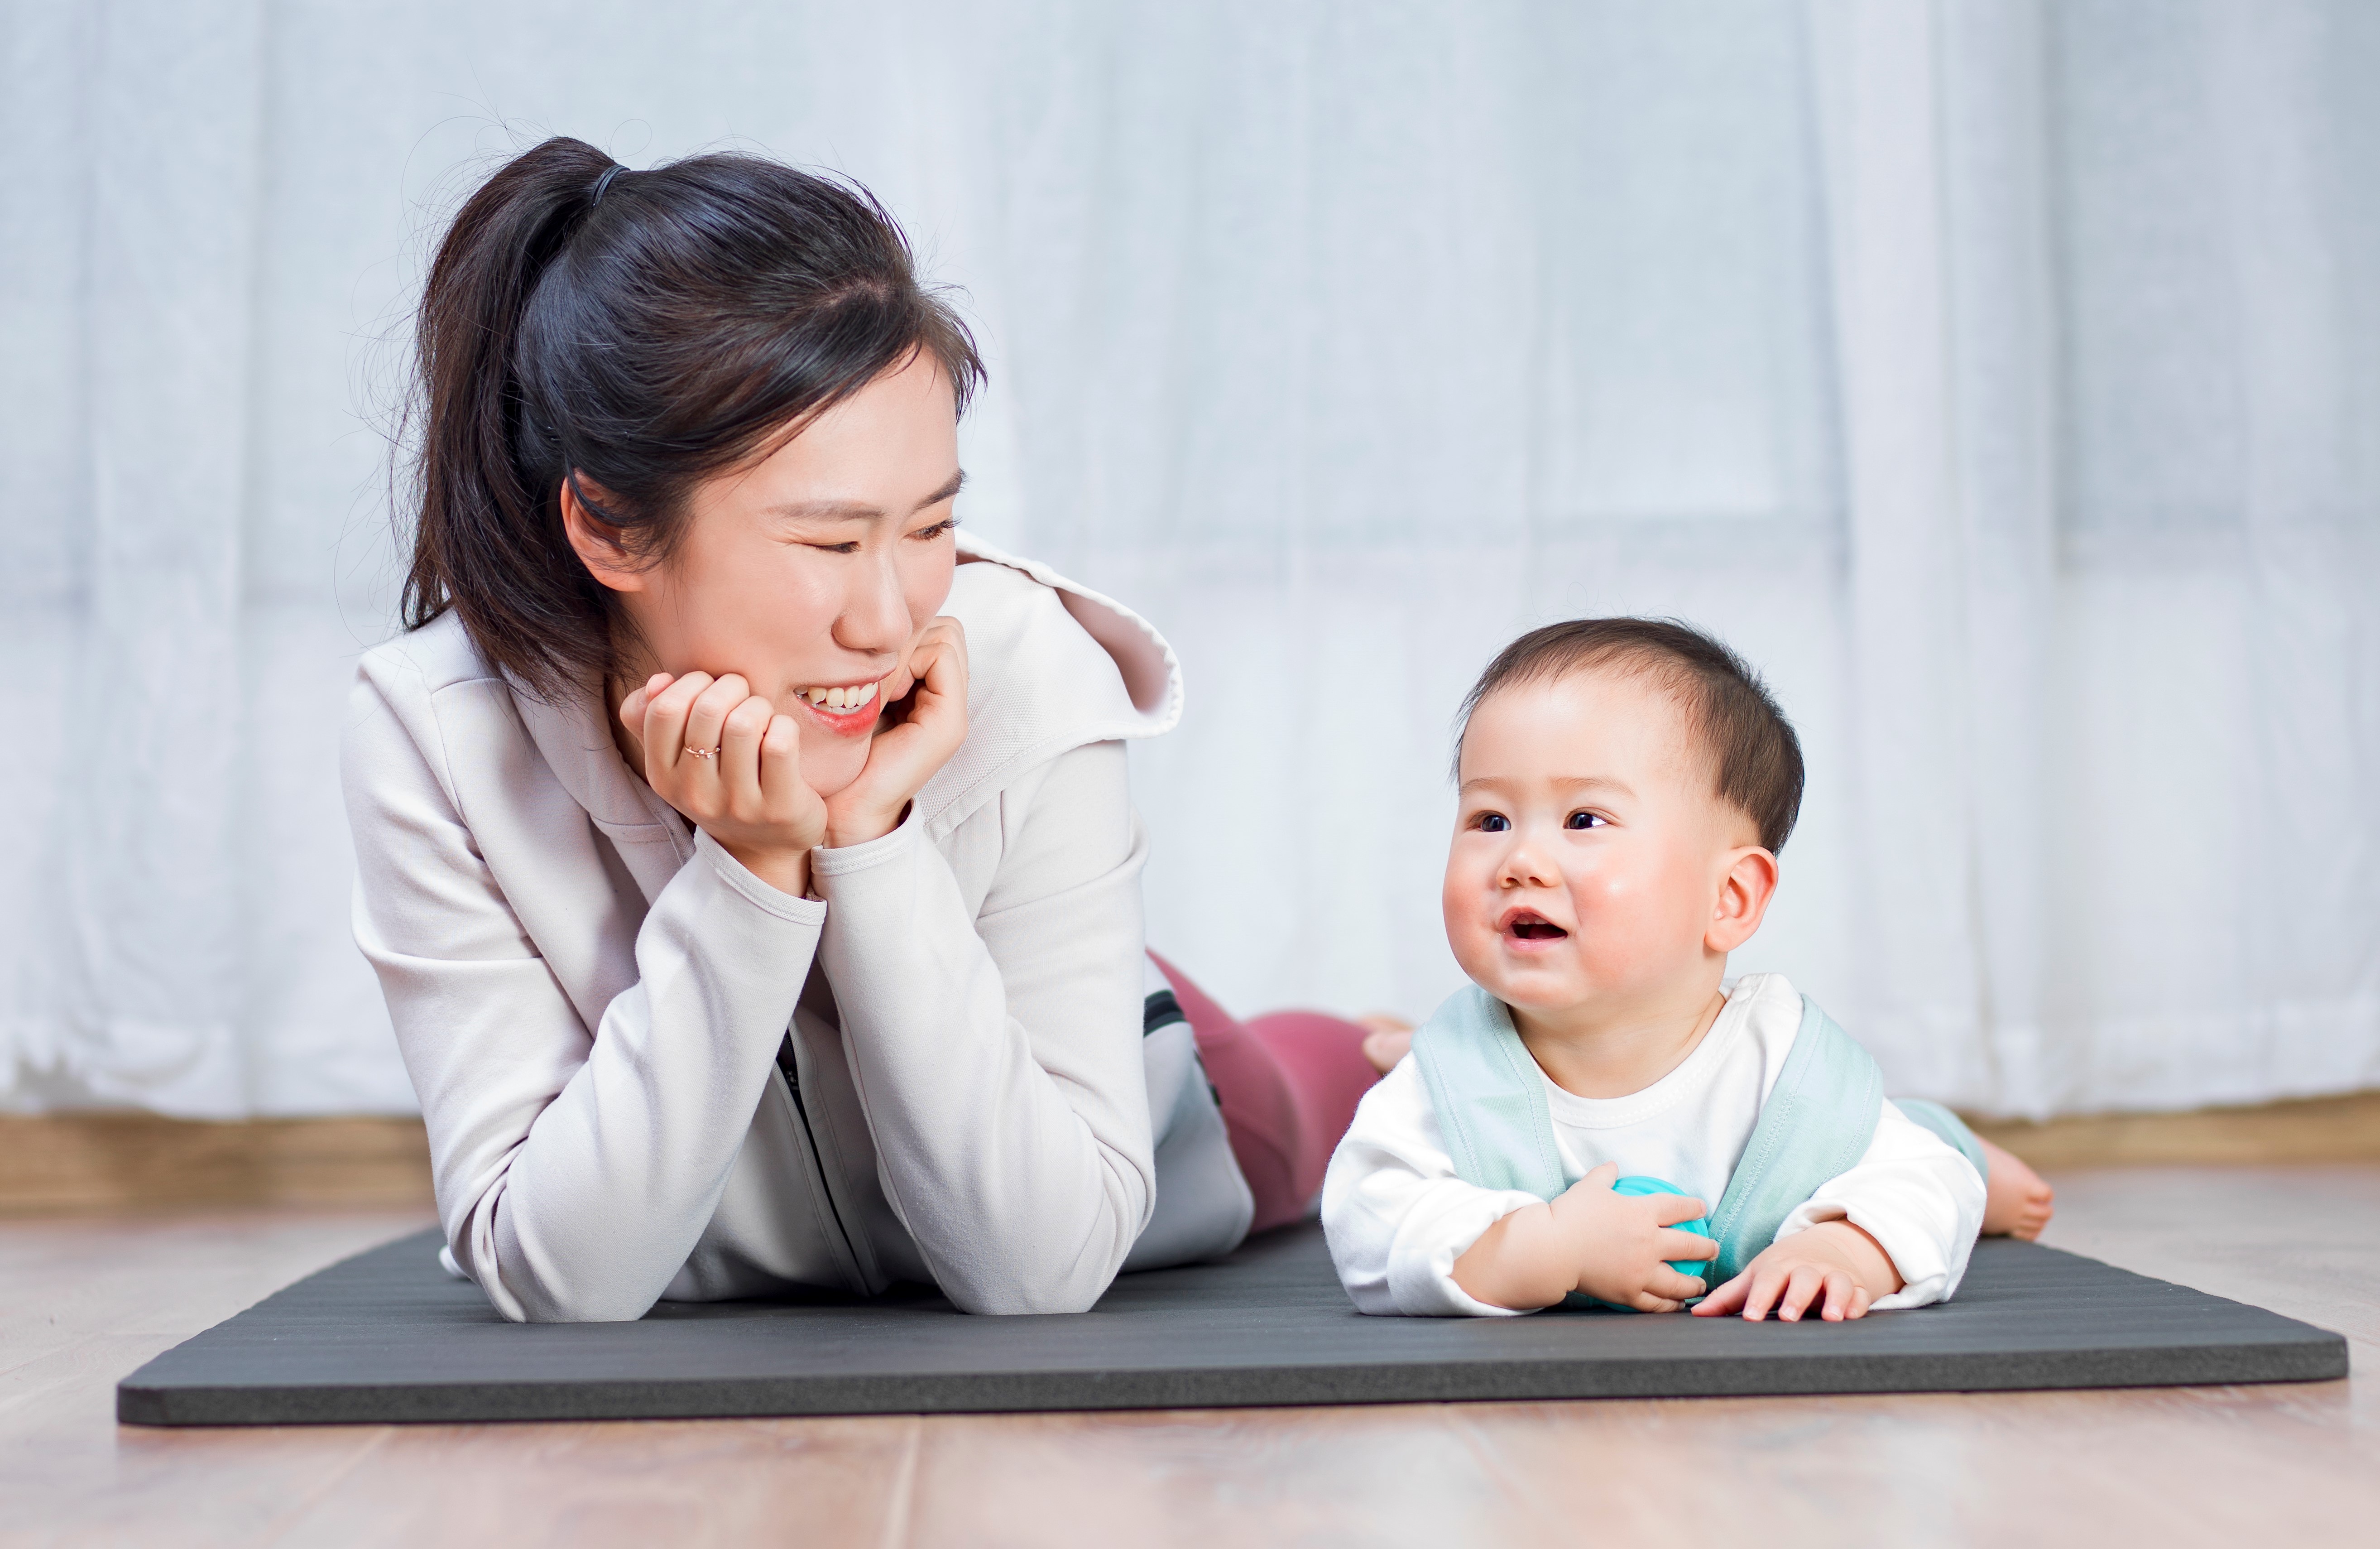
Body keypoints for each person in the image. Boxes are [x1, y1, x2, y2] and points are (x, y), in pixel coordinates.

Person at [343, 138, 1376, 1323]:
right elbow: (559, 1280)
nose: (889, 621)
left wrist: (875, 837)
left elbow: (1038, 1274)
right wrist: (748, 874)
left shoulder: (1024, 660)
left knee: (1326, 1084)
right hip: (781, 1193)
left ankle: (1359, 1040)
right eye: (829, 544)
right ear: (613, 531)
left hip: (1157, 1070)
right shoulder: (432, 730)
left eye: (931, 523)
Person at [1322, 619, 2057, 1321]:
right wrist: (1548, 1248)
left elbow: (1921, 1182)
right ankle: (1393, 1042)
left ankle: (1967, 1143)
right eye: (1490, 821)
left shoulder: (1788, 1072)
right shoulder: (1453, 1079)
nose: (1520, 862)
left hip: (1826, 1167)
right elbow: (1369, 1222)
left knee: (1923, 1150)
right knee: (1407, 1064)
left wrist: (1845, 1247)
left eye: (1583, 820)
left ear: (1728, 897)